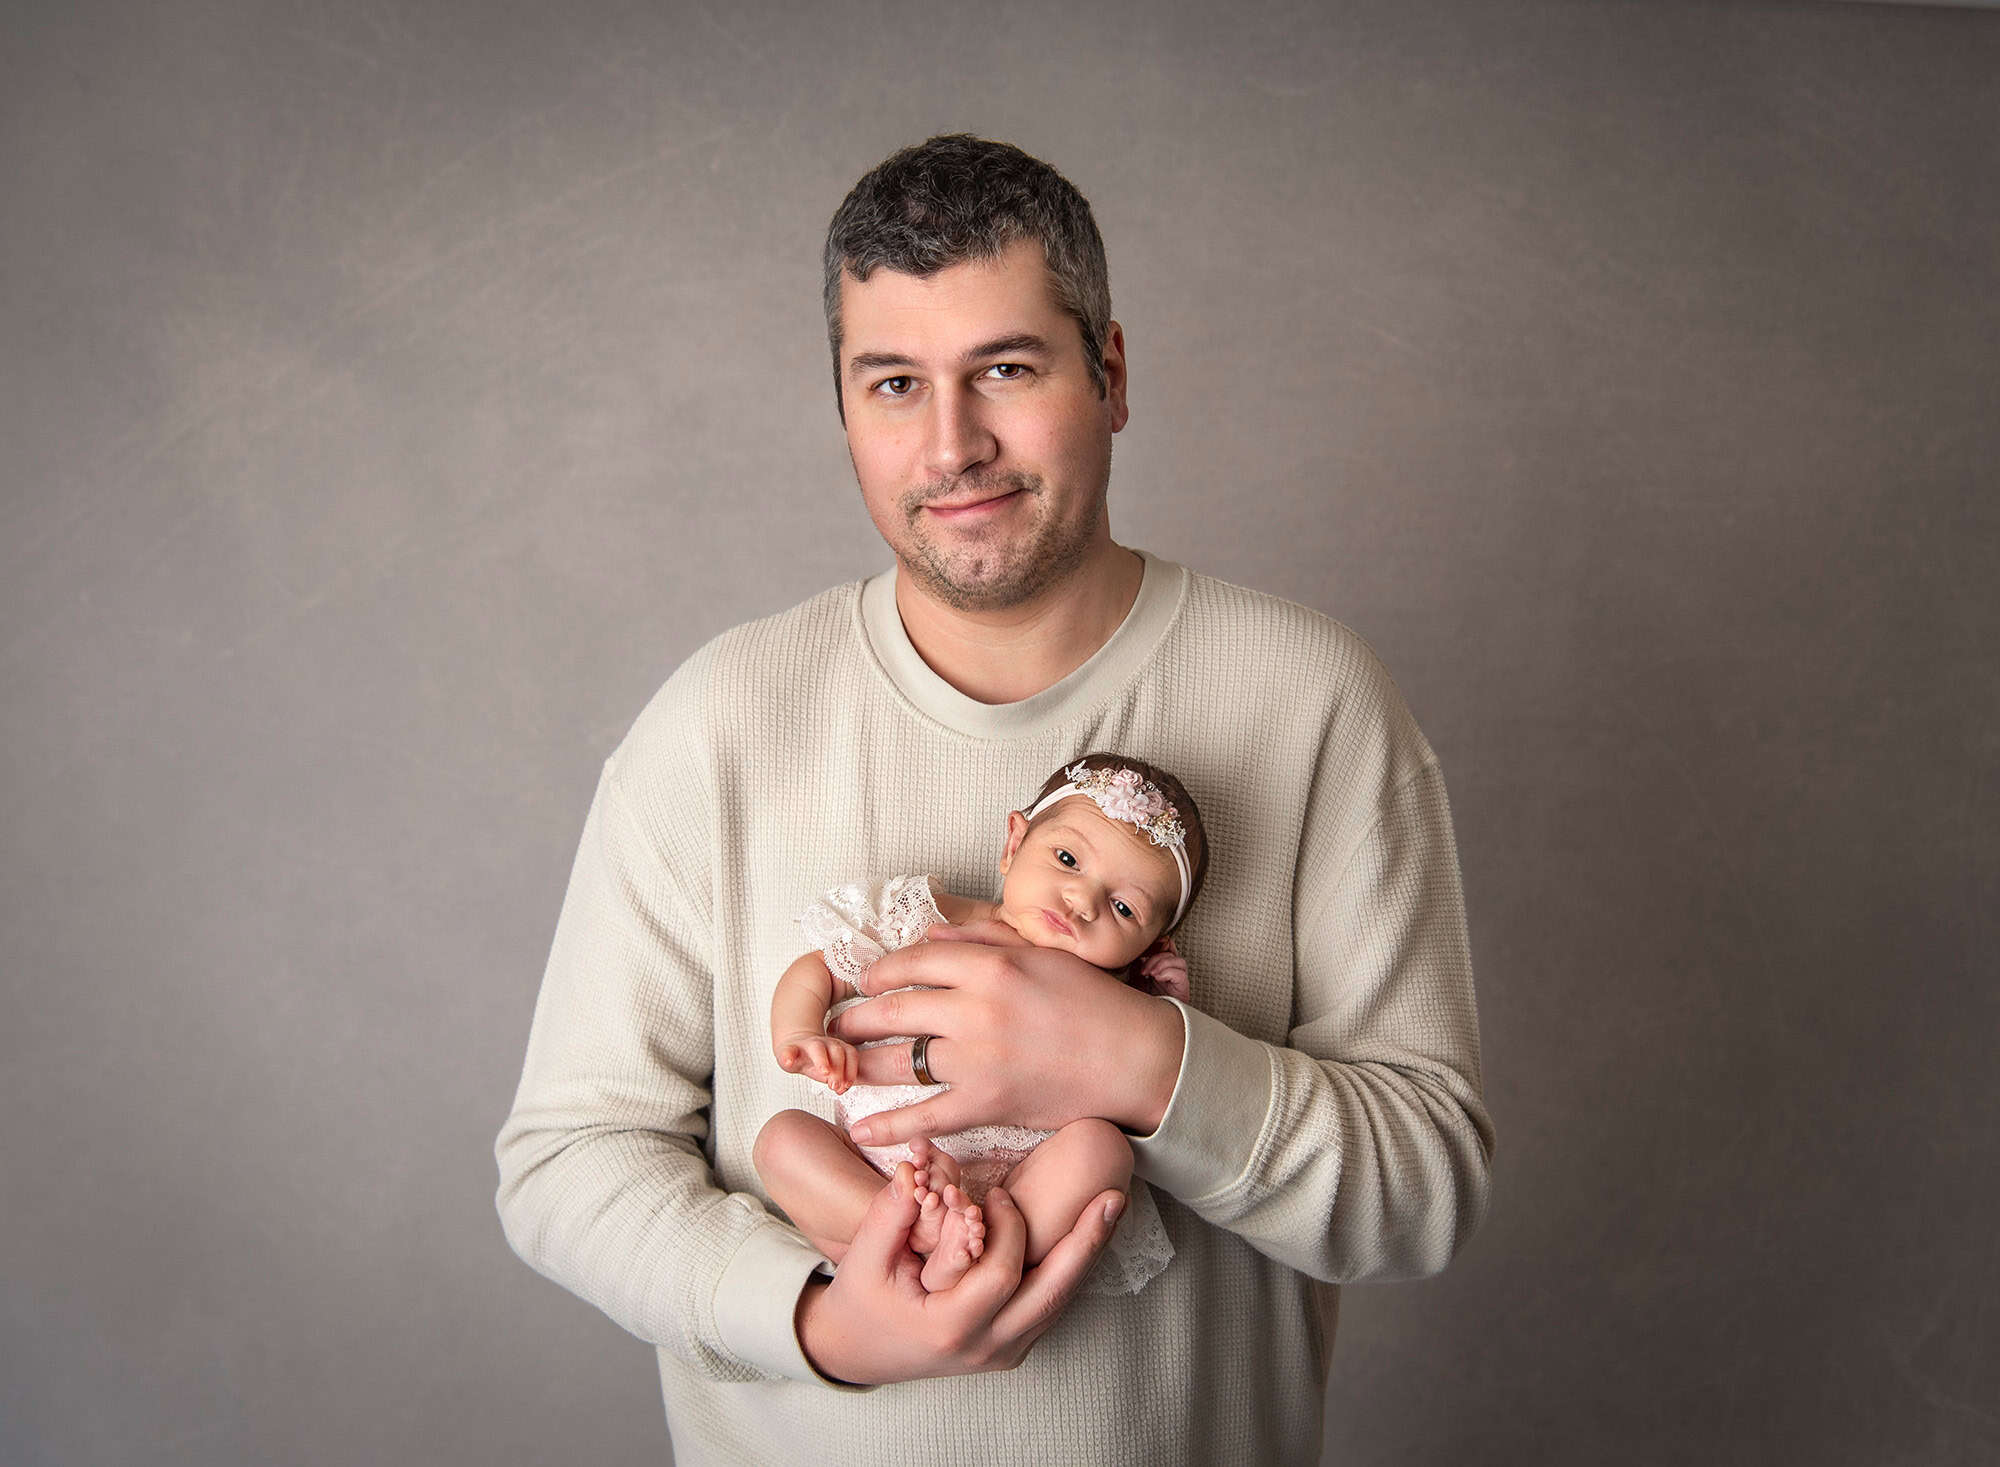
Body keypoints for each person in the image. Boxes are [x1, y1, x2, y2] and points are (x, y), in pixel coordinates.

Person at [495, 134, 1493, 1464]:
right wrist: (822, 1321)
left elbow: (1422, 1195)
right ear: (843, 406)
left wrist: (1140, 1064)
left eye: (1006, 370)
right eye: (895, 382)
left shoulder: (1310, 700)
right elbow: (566, 1161)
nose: (952, 444)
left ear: (1112, 374)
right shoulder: (717, 722)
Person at [755, 753, 1207, 1297]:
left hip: (1009, 1191)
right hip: (870, 1161)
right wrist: (801, 1032)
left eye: (1124, 909)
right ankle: (899, 1231)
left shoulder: (1115, 1002)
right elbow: (823, 968)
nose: (1081, 901)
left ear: (1152, 945)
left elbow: (1150, 1094)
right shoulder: (931, 919)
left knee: (1103, 1153)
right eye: (1067, 858)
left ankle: (978, 1256)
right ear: (1013, 844)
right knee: (781, 1141)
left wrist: (1163, 1009)